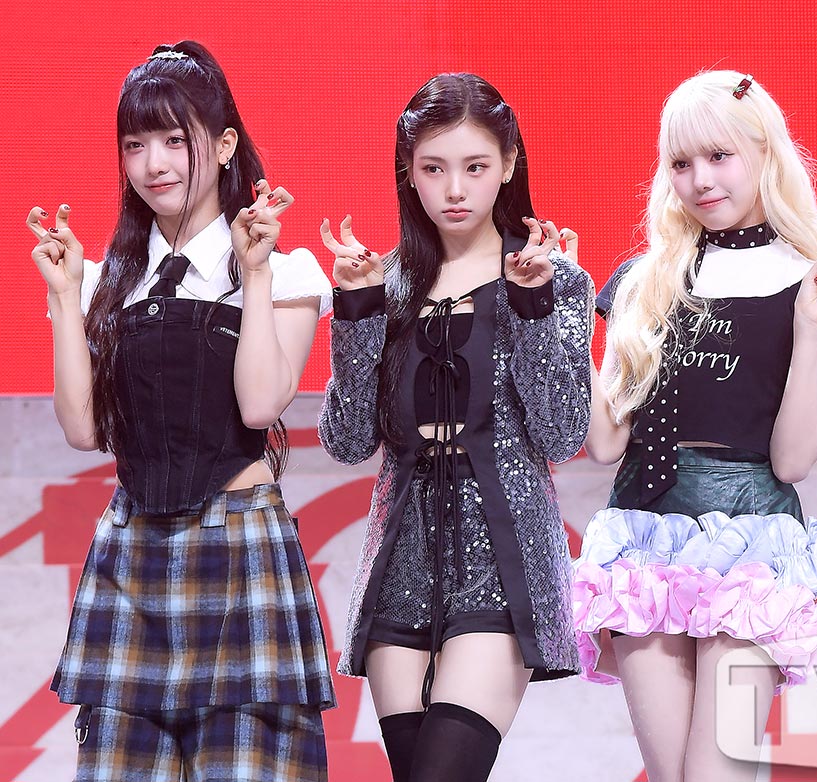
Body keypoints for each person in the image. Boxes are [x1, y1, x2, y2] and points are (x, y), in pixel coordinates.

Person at [29, 41, 335, 782]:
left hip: (239, 548)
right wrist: (66, 298)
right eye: (135, 145)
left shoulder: (282, 269)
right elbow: (83, 430)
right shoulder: (107, 279)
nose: (154, 164)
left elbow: (261, 404)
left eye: (175, 140)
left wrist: (253, 274)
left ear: (224, 146)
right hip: (132, 550)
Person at [575, 71, 817, 782]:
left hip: (751, 542)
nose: (700, 180)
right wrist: (569, 322)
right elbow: (605, 443)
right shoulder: (645, 279)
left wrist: (807, 329)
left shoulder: (813, 282)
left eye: (719, 156)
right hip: (643, 538)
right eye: (681, 162)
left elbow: (792, 461)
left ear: (765, 152)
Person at [317, 72, 593, 782]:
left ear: (508, 165)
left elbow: (563, 433)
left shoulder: (553, 278)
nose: (455, 189)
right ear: (408, 173)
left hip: (504, 555)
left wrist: (532, 309)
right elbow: (347, 440)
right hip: (400, 557)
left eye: (475, 167)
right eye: (434, 169)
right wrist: (356, 311)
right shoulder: (385, 283)